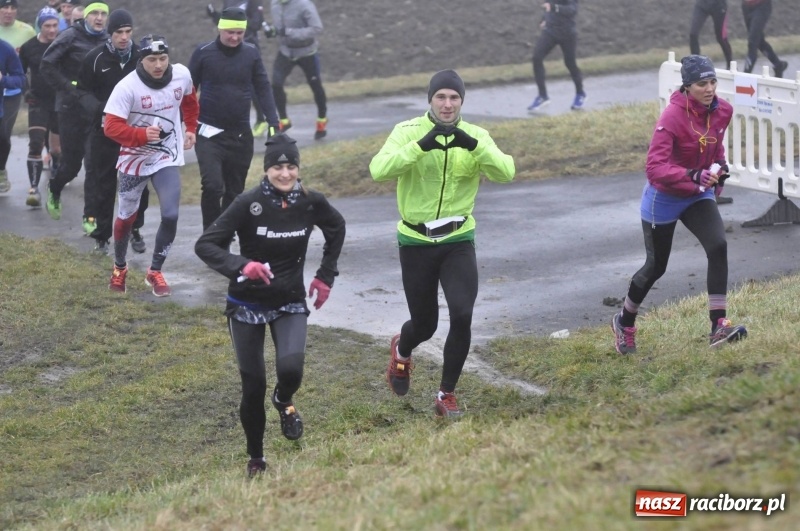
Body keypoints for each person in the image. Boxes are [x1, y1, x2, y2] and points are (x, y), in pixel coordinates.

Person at [195, 133, 345, 478]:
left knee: (291, 370)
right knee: (253, 385)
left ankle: (283, 400)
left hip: (289, 300)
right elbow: (206, 245)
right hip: (245, 304)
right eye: (278, 167)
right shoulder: (248, 202)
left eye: (291, 166)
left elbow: (337, 227)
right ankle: (256, 458)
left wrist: (325, 275)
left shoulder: (311, 202)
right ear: (266, 170)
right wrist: (242, 265)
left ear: (298, 169)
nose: (285, 173)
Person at [369, 69, 515, 418]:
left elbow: (506, 172)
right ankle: (402, 351)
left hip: (458, 239)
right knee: (425, 325)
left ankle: (445, 394)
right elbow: (379, 170)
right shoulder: (407, 131)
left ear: (461, 101)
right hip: (415, 241)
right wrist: (420, 147)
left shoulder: (476, 135)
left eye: (454, 97)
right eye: (441, 97)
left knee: (462, 314)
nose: (447, 104)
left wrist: (474, 146)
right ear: (430, 100)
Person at [611, 55, 748, 355]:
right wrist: (692, 174)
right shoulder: (672, 117)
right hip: (664, 198)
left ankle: (718, 326)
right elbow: (654, 168)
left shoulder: (723, 110)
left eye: (712, 82)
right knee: (656, 267)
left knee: (718, 246)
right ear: (687, 87)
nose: (709, 89)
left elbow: (715, 146)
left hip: (697, 194)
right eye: (701, 84)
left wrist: (720, 168)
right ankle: (624, 322)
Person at [104, 34, 198, 297]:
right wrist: (141, 135)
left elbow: (190, 101)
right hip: (134, 159)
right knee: (126, 218)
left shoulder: (181, 75)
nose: (158, 65)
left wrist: (191, 128)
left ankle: (155, 270)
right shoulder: (127, 87)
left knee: (171, 214)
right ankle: (119, 267)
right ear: (141, 60)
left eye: (163, 58)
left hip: (166, 157)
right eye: (152, 60)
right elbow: (110, 127)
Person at [189, 6, 279, 233]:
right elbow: (188, 90)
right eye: (230, 32)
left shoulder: (251, 53)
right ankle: (210, 236)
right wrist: (185, 123)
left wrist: (273, 121)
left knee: (235, 191)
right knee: (213, 186)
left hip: (240, 135)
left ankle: (224, 235)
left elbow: (263, 87)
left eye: (240, 33)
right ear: (220, 28)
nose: (235, 37)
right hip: (208, 133)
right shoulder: (204, 52)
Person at [75, 8, 149, 255]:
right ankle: (102, 236)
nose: (124, 37)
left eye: (128, 31)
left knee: (138, 184)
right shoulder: (95, 58)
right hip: (105, 131)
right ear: (110, 33)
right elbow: (82, 91)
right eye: (119, 32)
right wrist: (100, 110)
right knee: (104, 184)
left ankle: (135, 229)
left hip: (135, 132)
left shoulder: (141, 56)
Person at [41, 1, 109, 233]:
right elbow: (47, 64)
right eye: (94, 13)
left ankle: (90, 217)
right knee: (71, 166)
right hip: (70, 109)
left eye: (103, 14)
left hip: (94, 110)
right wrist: (70, 88)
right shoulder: (70, 36)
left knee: (93, 164)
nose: (99, 18)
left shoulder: (109, 40)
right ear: (85, 17)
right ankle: (55, 187)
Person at [205, 0, 271, 137]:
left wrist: (238, 22)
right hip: (229, 49)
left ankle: (262, 120)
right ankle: (227, 122)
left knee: (252, 85)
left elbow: (256, 24)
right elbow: (224, 26)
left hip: (249, 47)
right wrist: (214, 14)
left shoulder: (253, 2)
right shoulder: (228, 1)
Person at [264, 0, 328, 140]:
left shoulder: (304, 5)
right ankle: (284, 121)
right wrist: (272, 31)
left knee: (315, 86)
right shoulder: (275, 3)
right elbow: (279, 28)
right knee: (276, 84)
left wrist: (288, 32)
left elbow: (317, 28)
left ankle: (322, 120)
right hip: (286, 51)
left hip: (307, 52)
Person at [18, 7, 61, 206]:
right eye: (47, 26)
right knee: (36, 143)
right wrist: (26, 91)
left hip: (60, 102)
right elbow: (19, 72)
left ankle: (56, 174)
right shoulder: (28, 47)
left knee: (56, 149)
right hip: (38, 101)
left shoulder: (64, 44)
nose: (52, 30)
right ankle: (34, 189)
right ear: (39, 26)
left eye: (55, 25)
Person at [0, 0, 35, 192]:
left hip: (10, 93)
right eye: (4, 7)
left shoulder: (25, 32)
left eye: (12, 7)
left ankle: (1, 169)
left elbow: (23, 72)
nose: (8, 11)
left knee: (3, 134)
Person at [527, 1, 586, 112]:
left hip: (568, 33)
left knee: (570, 63)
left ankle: (580, 93)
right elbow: (549, 6)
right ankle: (542, 96)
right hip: (551, 32)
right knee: (537, 58)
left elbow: (572, 10)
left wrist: (554, 7)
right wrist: (544, 19)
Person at [0, 35, 24, 194]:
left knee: (3, 139)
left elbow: (20, 79)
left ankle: (1, 170)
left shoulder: (5, 48)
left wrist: (3, 79)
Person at [741, 0, 787, 77]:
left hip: (762, 6)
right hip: (746, 6)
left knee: (752, 42)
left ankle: (744, 77)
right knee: (759, 41)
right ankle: (778, 65)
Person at [689, 0, 733, 69]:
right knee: (693, 34)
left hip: (719, 5)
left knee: (721, 37)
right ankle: (696, 64)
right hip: (702, 4)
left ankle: (730, 64)